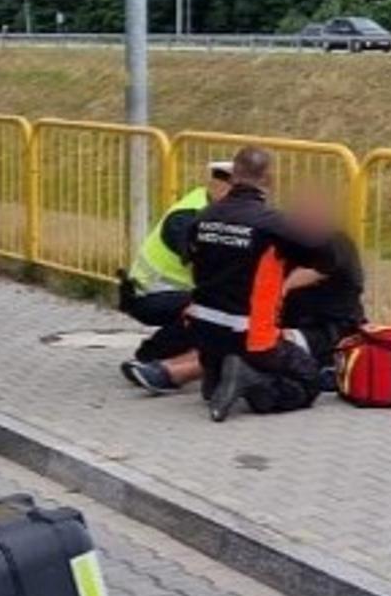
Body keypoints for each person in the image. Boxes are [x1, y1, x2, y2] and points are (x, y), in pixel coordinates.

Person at [186, 147, 340, 422]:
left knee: (214, 390)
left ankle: (224, 378)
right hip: (252, 337)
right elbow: (326, 258)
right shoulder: (273, 225)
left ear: (234, 176)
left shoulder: (202, 217)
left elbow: (187, 255)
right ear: (268, 179)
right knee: (308, 382)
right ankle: (249, 378)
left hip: (204, 334)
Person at [117, 162, 232, 395]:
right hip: (149, 294)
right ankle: (153, 355)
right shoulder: (188, 217)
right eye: (236, 191)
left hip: (172, 293)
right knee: (210, 308)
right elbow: (206, 263)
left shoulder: (216, 211)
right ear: (217, 186)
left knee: (217, 305)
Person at [280, 193, 368, 382]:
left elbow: (313, 272)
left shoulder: (337, 243)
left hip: (330, 334)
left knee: (262, 346)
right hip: (296, 328)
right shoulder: (293, 245)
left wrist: (282, 287)